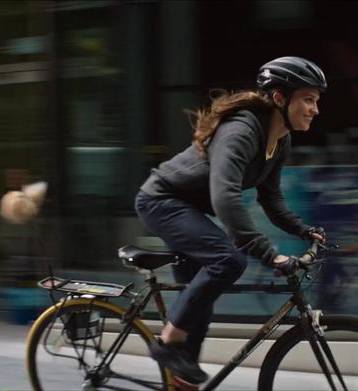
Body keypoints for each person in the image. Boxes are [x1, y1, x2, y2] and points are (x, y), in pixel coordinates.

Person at [134, 56, 328, 386]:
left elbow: (270, 197)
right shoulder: (241, 129)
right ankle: (167, 344)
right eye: (308, 99)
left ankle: (182, 379)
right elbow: (225, 195)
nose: (315, 109)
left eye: (317, 101)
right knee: (229, 260)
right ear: (280, 98)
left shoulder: (280, 139)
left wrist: (302, 229)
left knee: (201, 304)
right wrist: (269, 254)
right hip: (162, 201)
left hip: (190, 210)